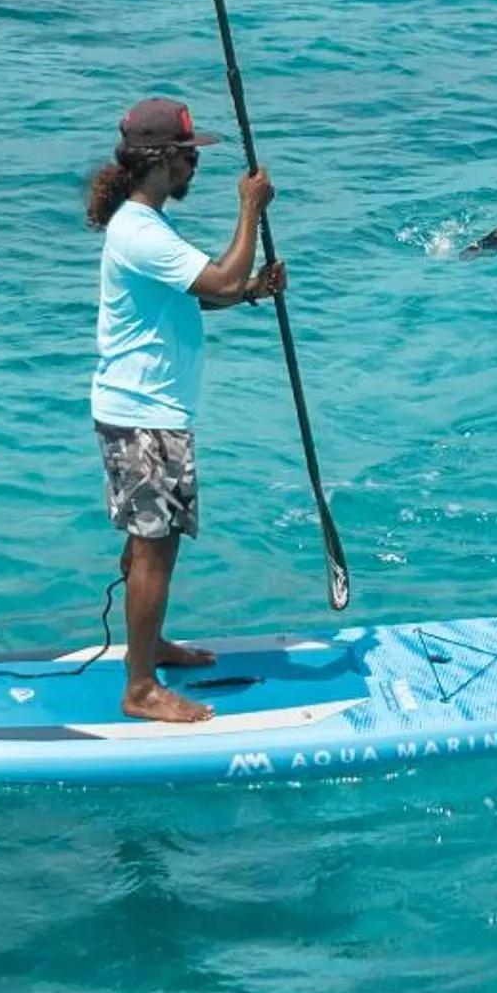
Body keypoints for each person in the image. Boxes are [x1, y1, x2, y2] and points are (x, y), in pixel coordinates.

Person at [85, 94, 284, 725]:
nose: (194, 168)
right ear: (162, 160)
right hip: (145, 416)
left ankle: (152, 644)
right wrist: (248, 211)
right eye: (188, 158)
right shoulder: (141, 231)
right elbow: (220, 278)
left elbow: (203, 295)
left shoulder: (147, 227)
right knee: (155, 549)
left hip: (142, 408)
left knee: (150, 543)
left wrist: (250, 291)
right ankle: (139, 686)